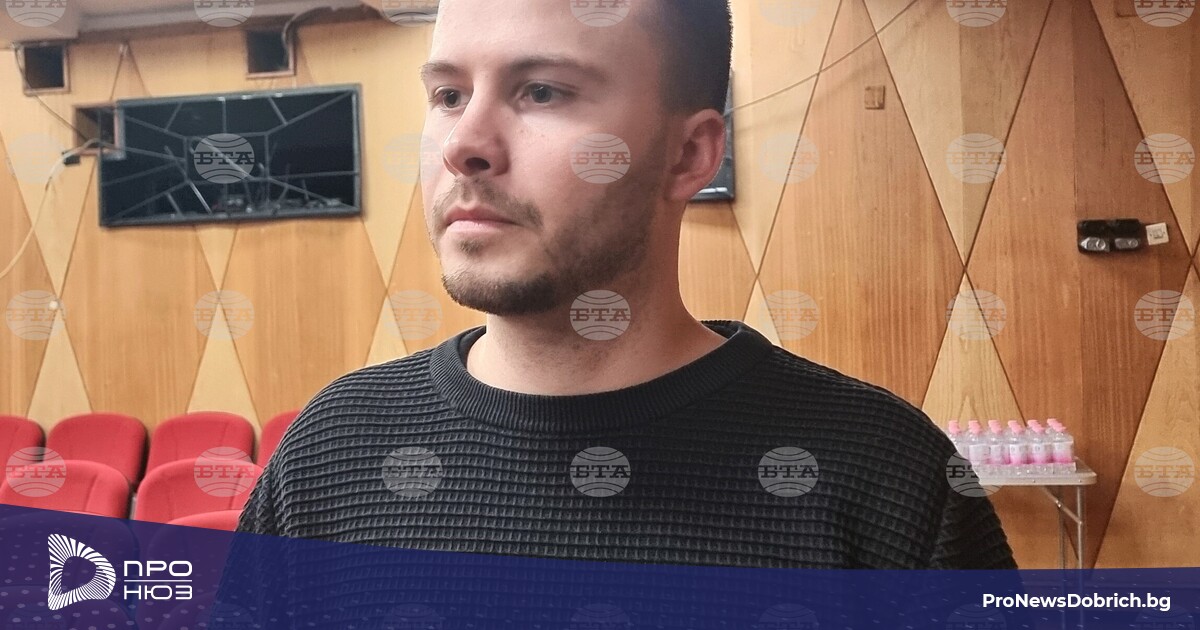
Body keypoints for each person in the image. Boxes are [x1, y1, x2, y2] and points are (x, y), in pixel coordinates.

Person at [236, 0, 1016, 570]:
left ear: (689, 155)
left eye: (542, 91)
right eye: (448, 95)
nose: (463, 144)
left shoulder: (885, 480)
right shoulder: (329, 454)